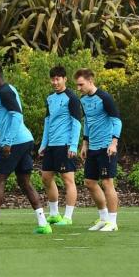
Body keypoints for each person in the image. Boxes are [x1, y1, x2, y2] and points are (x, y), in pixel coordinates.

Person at [0, 64, 51, 236]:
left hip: (16, 143)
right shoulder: (9, 89)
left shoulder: (5, 92)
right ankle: (44, 224)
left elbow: (16, 116)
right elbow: (10, 120)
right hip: (25, 140)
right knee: (24, 182)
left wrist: (7, 143)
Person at [74, 68, 122, 232]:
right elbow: (87, 121)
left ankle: (113, 222)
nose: (79, 88)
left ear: (90, 81)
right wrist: (85, 144)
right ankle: (103, 218)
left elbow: (117, 121)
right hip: (92, 147)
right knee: (89, 182)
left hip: (106, 147)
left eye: (81, 84)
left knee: (107, 182)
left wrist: (114, 143)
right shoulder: (83, 100)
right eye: (77, 85)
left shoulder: (104, 98)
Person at [39, 65, 83, 226]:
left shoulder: (72, 98)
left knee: (67, 179)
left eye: (58, 79)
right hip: (51, 146)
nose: (55, 82)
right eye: (53, 79)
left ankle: (68, 217)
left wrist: (73, 146)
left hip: (65, 145)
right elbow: (47, 122)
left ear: (65, 79)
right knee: (46, 177)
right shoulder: (50, 98)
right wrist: (43, 144)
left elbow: (77, 123)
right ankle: (54, 214)